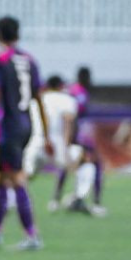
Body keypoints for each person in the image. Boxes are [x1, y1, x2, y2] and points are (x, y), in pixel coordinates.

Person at [0, 17, 50, 250]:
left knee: (16, 178)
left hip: (10, 126)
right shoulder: (30, 61)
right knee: (3, 178)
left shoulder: (0, 61)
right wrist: (45, 133)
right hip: (26, 124)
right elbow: (39, 98)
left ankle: (32, 236)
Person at [24, 75, 78, 211]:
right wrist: (66, 147)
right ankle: (66, 198)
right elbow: (67, 122)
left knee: (26, 174)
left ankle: (18, 200)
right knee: (86, 163)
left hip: (36, 141)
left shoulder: (37, 99)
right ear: (60, 86)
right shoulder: (67, 100)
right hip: (57, 142)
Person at [65, 66, 107, 216]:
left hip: (70, 135)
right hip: (76, 135)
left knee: (70, 165)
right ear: (85, 78)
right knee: (96, 163)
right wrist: (73, 138)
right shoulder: (80, 93)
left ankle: (61, 199)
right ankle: (95, 203)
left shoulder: (71, 90)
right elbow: (73, 116)